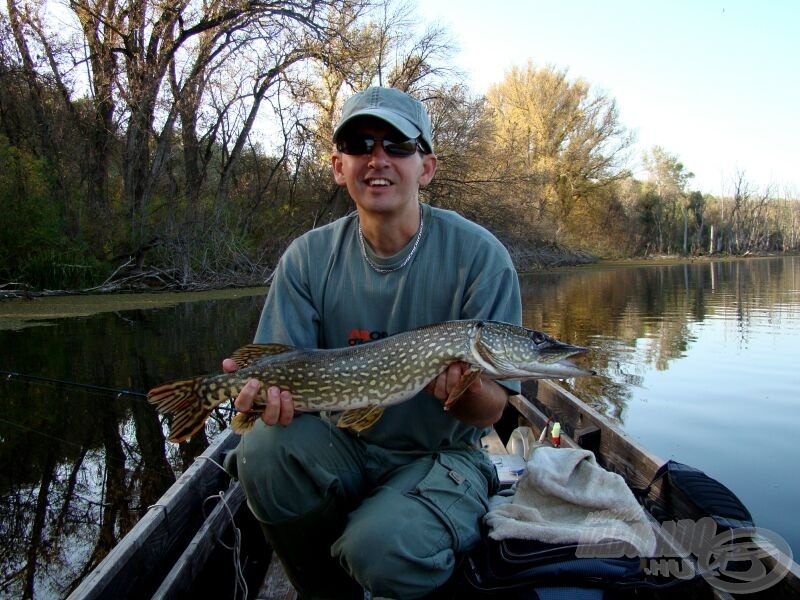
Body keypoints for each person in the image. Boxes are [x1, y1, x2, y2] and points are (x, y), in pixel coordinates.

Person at [223, 86, 522, 599]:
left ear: (426, 166)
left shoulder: (480, 256)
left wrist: (465, 390)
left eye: (398, 146)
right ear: (340, 165)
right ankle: (324, 590)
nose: (377, 159)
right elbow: (279, 367)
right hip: (345, 447)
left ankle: (384, 544)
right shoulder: (307, 258)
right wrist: (258, 400)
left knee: (380, 547)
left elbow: (492, 413)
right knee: (262, 451)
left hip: (442, 456)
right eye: (361, 144)